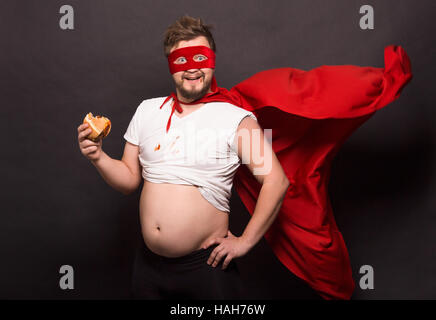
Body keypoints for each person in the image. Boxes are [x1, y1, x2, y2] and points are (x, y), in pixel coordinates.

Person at [77, 15, 291, 299]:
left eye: (200, 57)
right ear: (170, 66)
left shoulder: (239, 120)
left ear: (212, 61)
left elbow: (276, 181)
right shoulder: (147, 111)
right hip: (148, 268)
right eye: (181, 60)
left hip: (205, 269)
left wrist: (245, 242)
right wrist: (98, 156)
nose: (192, 69)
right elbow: (129, 180)